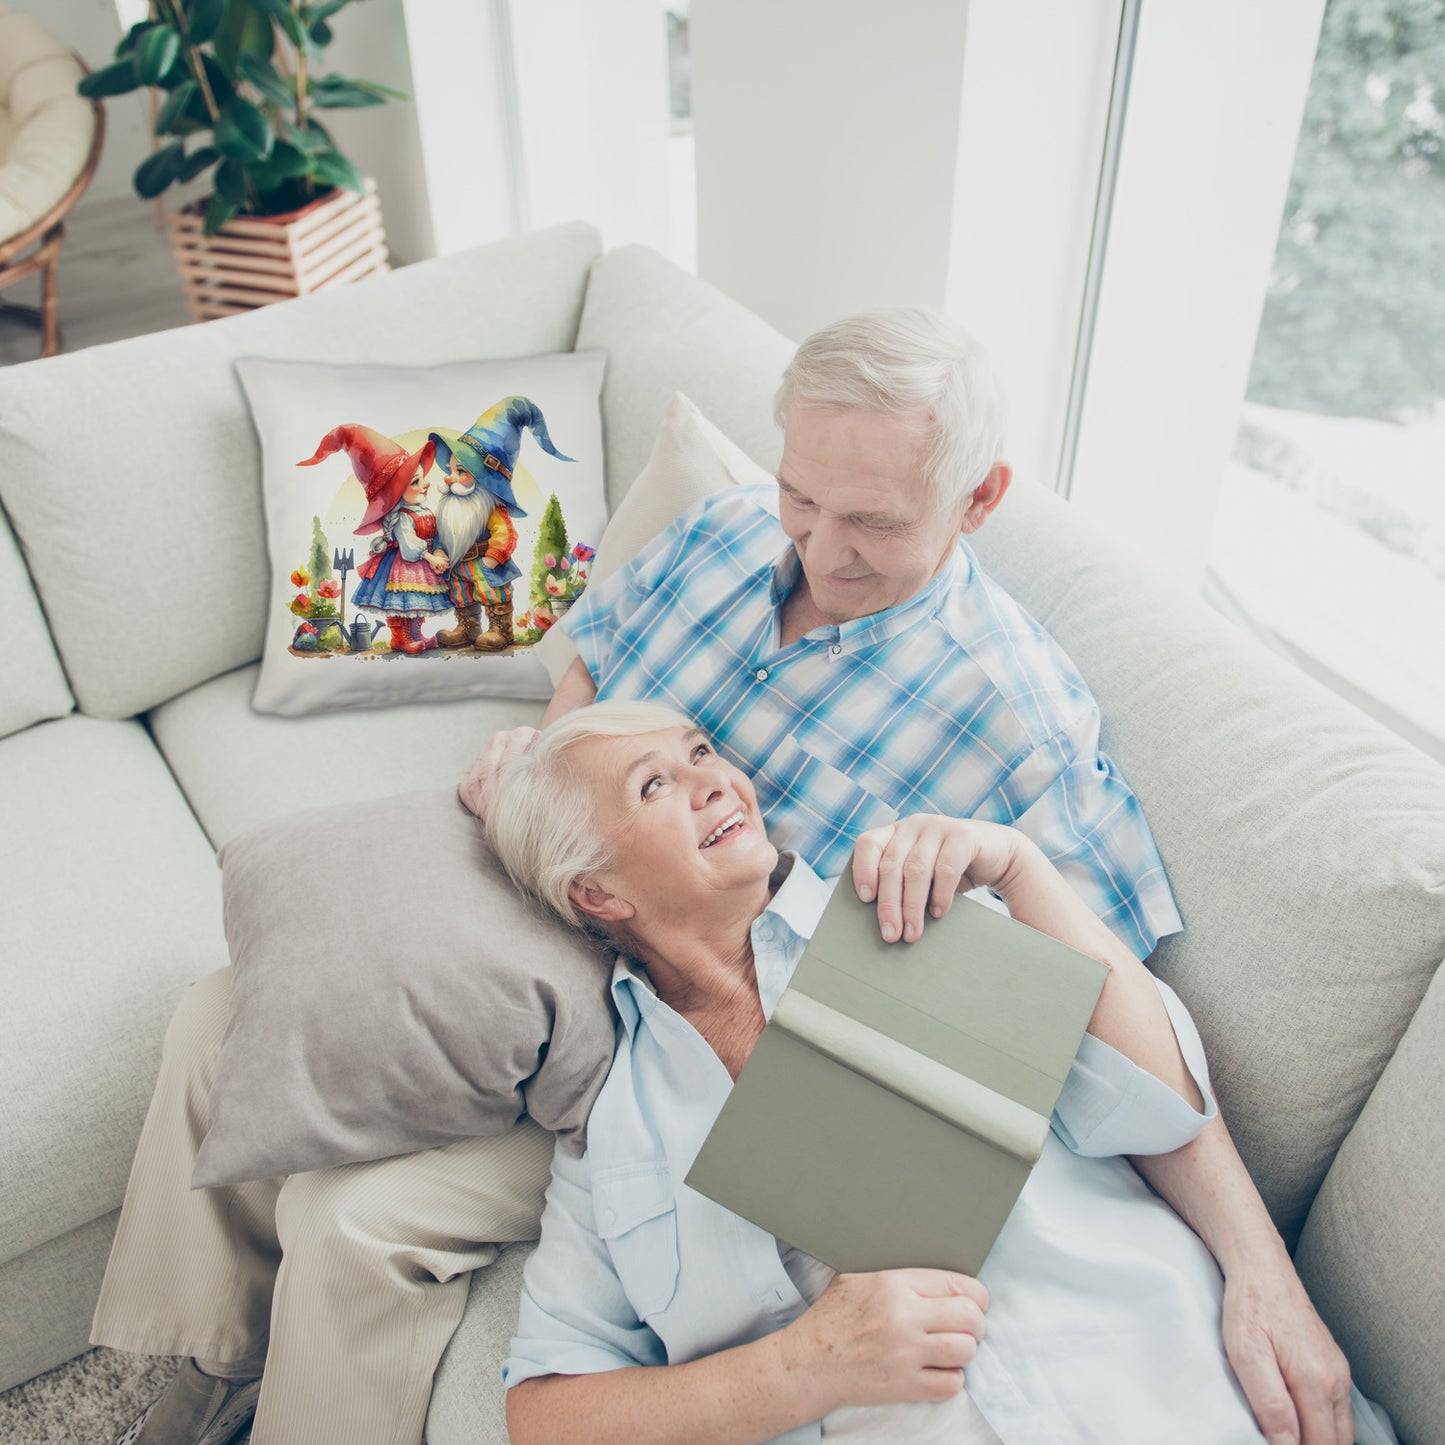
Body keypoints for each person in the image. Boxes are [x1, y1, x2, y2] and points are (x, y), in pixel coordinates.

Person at [94, 310, 1350, 1445]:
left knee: (356, 1219)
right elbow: (592, 667)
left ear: (976, 501)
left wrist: (1259, 1266)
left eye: (871, 520)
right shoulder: (724, 533)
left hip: (694, 1010)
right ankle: (191, 1362)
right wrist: (546, 765)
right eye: (804, 495)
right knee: (228, 1007)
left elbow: (1102, 1017)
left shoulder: (1017, 724)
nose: (818, 545)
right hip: (580, 887)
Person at [487, 702, 1387, 1445]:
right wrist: (802, 1367)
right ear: (597, 893)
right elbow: (544, 1414)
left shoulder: (909, 907)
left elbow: (1158, 1106)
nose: (715, 779)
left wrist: (1020, 868)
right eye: (655, 784)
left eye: (700, 752)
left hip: (1176, 1395)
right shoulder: (615, 1131)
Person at [429, 395, 575, 652]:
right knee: (462, 595)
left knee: (493, 594)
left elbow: (504, 533)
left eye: (461, 471)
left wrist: (493, 556)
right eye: (451, 470)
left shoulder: (491, 509)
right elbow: (442, 533)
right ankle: (467, 626)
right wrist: (440, 550)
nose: (450, 479)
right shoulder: (450, 508)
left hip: (486, 564)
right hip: (458, 565)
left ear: (484, 480)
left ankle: (500, 628)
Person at [297, 427, 452, 656]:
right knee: (400, 603)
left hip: (423, 563)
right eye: (415, 482)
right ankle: (401, 638)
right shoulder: (402, 519)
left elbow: (436, 535)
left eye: (422, 479)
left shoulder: (423, 511)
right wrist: (429, 557)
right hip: (404, 565)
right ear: (395, 494)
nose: (425, 485)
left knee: (418, 602)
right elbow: (409, 546)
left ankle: (417, 634)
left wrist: (438, 552)